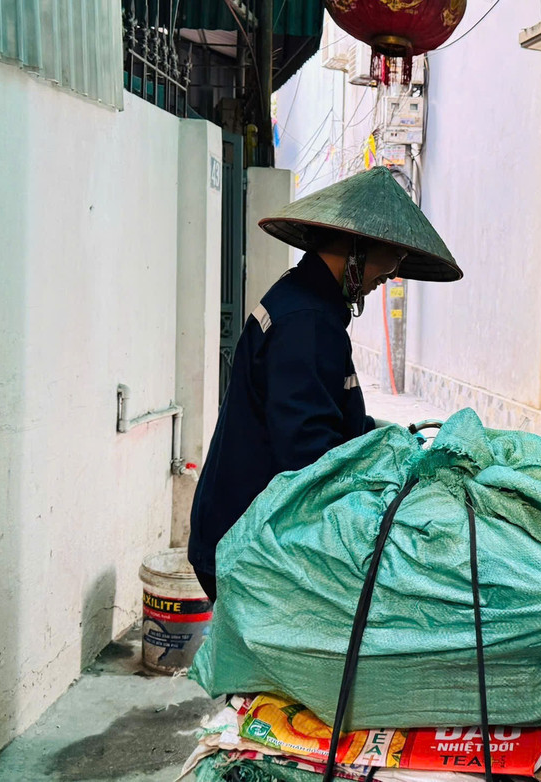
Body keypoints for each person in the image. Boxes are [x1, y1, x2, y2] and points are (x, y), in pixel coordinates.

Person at [187, 167, 462, 599]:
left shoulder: (304, 300)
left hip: (240, 530)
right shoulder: (308, 322)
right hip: (246, 544)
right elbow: (309, 455)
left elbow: (321, 412)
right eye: (385, 267)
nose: (385, 279)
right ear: (356, 249)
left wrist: (380, 437)